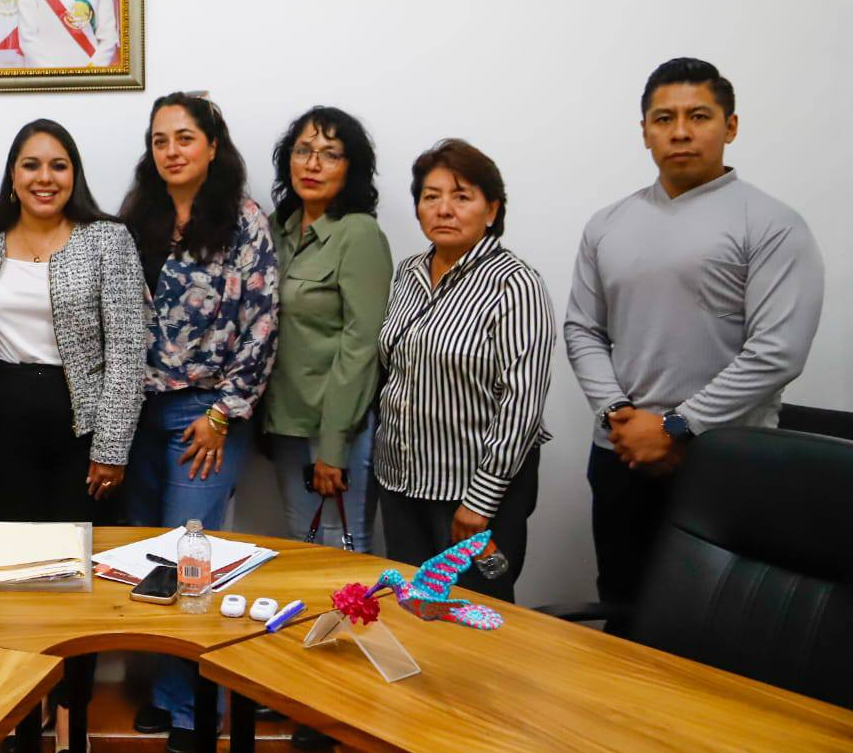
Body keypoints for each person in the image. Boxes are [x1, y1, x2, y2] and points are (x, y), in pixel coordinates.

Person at [564, 58, 824, 622]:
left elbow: (777, 351)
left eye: (698, 116)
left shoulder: (772, 224)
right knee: (625, 606)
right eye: (664, 118)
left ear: (730, 126)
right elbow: (583, 328)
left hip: (725, 459)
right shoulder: (607, 224)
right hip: (621, 455)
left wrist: (676, 427)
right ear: (644, 132)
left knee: (718, 624)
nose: (680, 131)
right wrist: (618, 414)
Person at [0, 118, 147, 753]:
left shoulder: (107, 239)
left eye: (58, 165)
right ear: (13, 176)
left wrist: (112, 448)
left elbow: (127, 349)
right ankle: (30, 701)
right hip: (1, 423)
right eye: (31, 165)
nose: (45, 178)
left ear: (74, 174)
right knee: (19, 572)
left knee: (74, 574)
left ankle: (72, 710)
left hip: (82, 429)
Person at [119, 92, 279, 753]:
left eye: (184, 137)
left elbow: (262, 324)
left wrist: (222, 413)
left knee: (192, 558)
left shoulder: (243, 220)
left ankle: (194, 709)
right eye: (160, 140)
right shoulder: (138, 218)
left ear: (213, 145)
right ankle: (166, 691)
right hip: (137, 412)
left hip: (206, 412)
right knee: (147, 558)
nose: (171, 151)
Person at [374, 139, 554, 603]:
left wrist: (480, 500)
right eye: (431, 196)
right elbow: (394, 368)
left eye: (461, 196)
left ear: (491, 210)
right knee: (411, 608)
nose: (444, 209)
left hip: (471, 494)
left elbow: (522, 402)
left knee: (472, 615)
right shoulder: (408, 272)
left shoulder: (515, 284)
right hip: (401, 480)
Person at [262, 107, 392, 551]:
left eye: (330, 154)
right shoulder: (276, 229)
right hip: (286, 423)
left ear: (351, 168)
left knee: (341, 553)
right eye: (303, 151)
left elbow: (362, 345)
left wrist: (334, 447)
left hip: (335, 427)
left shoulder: (359, 234)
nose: (313, 164)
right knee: (304, 548)